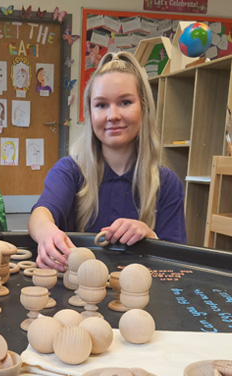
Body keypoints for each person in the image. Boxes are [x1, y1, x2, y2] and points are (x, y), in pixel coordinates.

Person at [29, 51, 186, 271]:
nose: (113, 115)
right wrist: (46, 231)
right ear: (90, 114)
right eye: (101, 105)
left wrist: (150, 236)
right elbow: (41, 213)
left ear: (144, 108)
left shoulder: (166, 183)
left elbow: (178, 261)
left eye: (125, 102)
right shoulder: (70, 171)